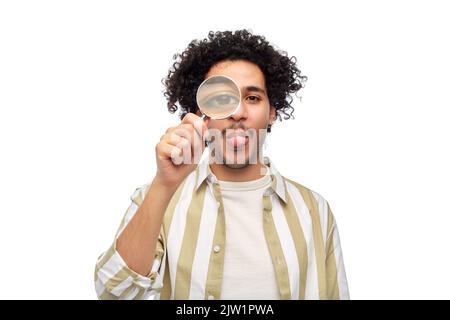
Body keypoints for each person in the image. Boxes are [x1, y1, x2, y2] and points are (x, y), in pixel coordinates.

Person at [94, 30, 349, 300]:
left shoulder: (314, 210)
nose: (237, 113)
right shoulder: (158, 199)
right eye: (221, 99)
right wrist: (164, 184)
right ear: (201, 113)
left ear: (272, 111)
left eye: (252, 98)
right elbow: (114, 293)